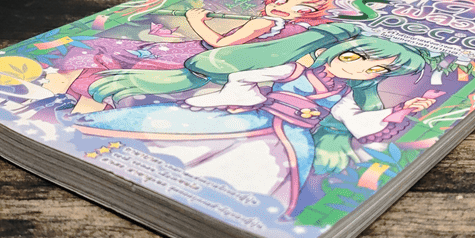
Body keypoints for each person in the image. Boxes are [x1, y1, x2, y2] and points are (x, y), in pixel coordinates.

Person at [72, 23, 435, 213]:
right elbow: (243, 76)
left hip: (291, 137)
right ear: (339, 51)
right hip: (251, 118)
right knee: (185, 138)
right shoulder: (293, 70)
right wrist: (246, 97)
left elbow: (352, 118)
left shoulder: (345, 94)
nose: (359, 69)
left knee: (264, 173)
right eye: (354, 58)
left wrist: (398, 112)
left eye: (375, 69)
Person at [54, 0, 350, 113]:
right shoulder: (296, 31)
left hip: (197, 54)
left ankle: (85, 99)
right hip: (202, 57)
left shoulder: (265, 23)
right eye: (281, 0)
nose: (279, 4)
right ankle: (88, 102)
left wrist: (196, 22)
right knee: (116, 58)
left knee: (107, 53)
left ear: (307, 12)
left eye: (291, 4)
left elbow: (221, 43)